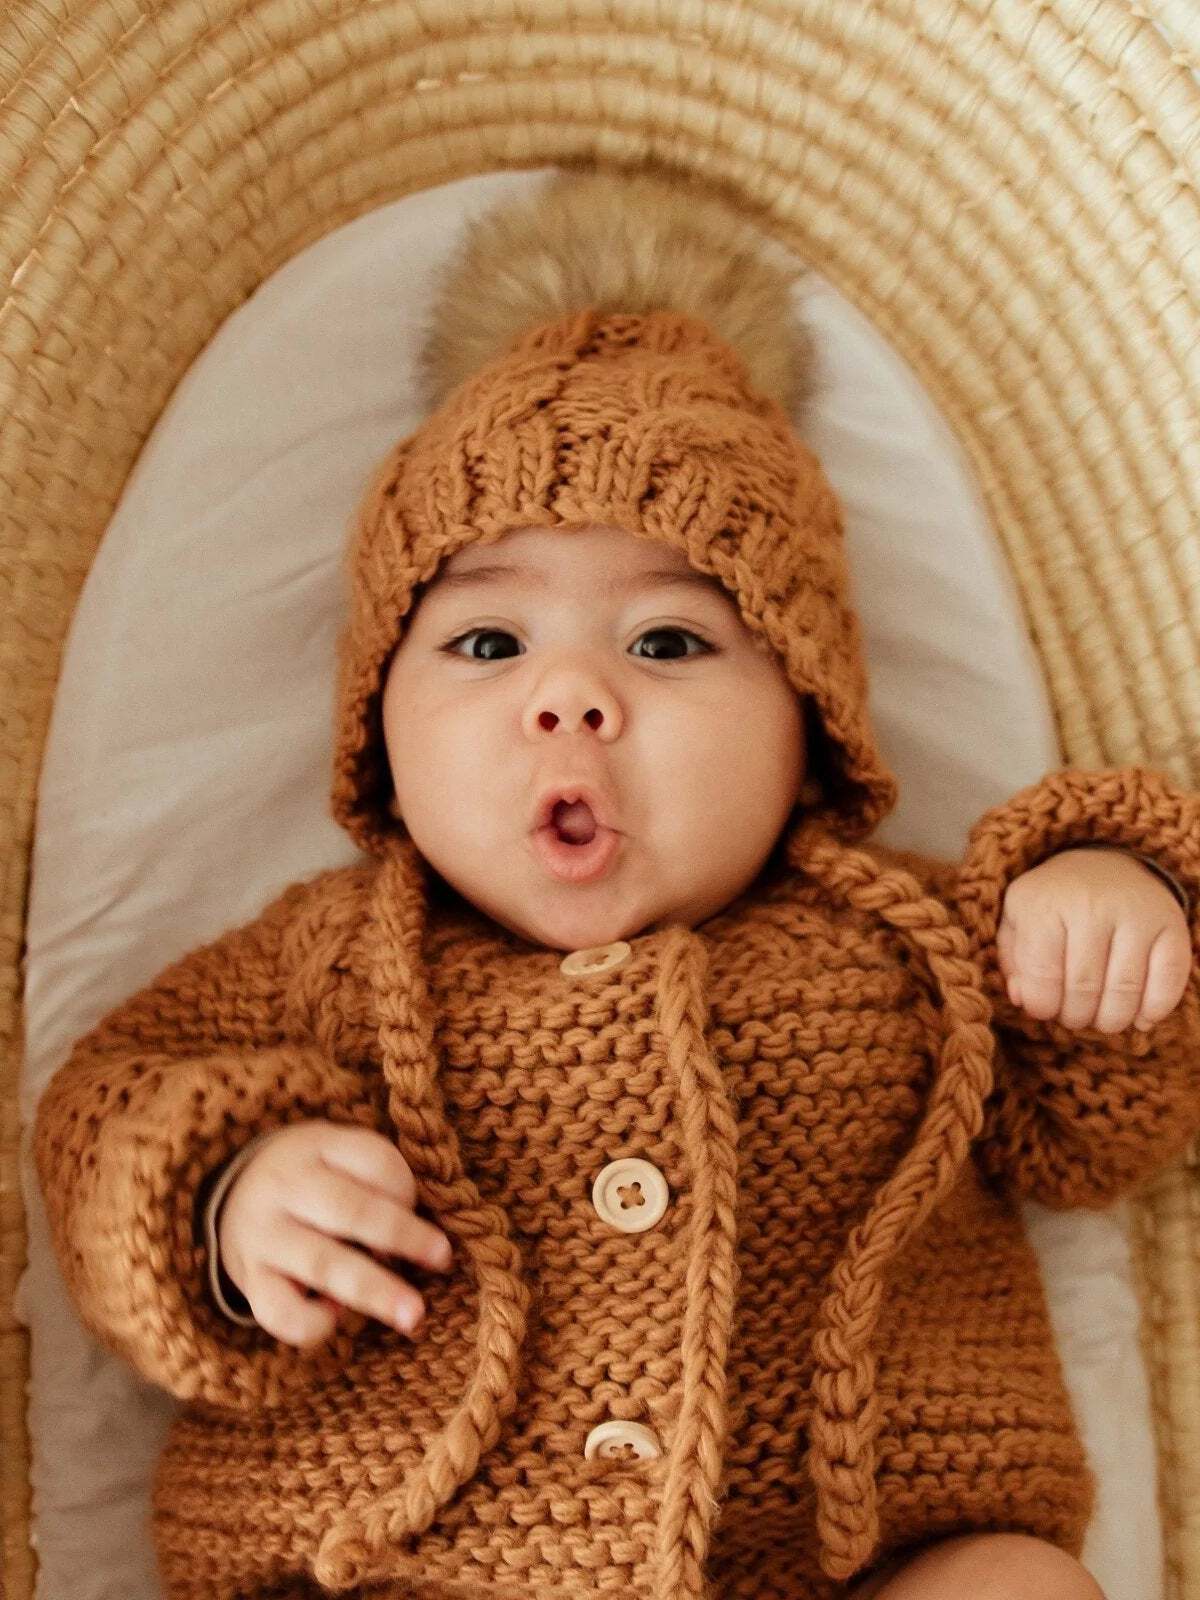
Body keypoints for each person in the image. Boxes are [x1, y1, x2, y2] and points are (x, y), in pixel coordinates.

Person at [33, 165, 1199, 1600]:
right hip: (408, 1556)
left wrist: (1113, 903)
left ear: (810, 722)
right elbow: (101, 1108)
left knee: (1016, 1588)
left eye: (666, 645)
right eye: (484, 645)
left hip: (843, 1559)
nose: (571, 698)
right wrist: (226, 1202)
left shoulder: (910, 944)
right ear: (378, 731)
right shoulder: (323, 963)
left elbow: (1098, 1129)